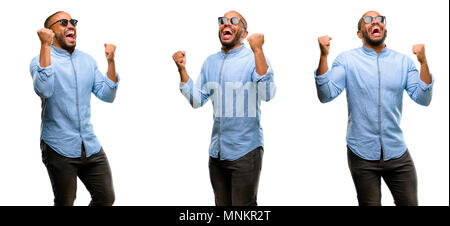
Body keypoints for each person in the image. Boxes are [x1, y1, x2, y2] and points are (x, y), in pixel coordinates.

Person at [315, 11, 433, 206]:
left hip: (397, 152)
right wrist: (324, 56)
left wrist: (423, 62)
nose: (375, 22)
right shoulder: (346, 60)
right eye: (368, 20)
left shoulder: (403, 62)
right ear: (360, 33)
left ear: (385, 29)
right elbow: (325, 94)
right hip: (361, 153)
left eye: (380, 19)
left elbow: (423, 98)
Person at [172, 10, 276, 206]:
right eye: (223, 21)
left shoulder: (254, 57)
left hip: (245, 151)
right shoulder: (211, 62)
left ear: (244, 33)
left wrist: (259, 51)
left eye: (234, 21)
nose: (226, 24)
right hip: (217, 154)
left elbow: (268, 94)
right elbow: (196, 100)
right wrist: (182, 69)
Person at [30, 11, 119, 206]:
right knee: (65, 202)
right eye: (63, 22)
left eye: (73, 22)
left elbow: (107, 95)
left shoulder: (87, 60)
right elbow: (43, 90)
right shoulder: (40, 60)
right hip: (58, 146)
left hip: (89, 144)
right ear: (50, 31)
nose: (71, 26)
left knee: (106, 197)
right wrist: (45, 45)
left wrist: (111, 62)